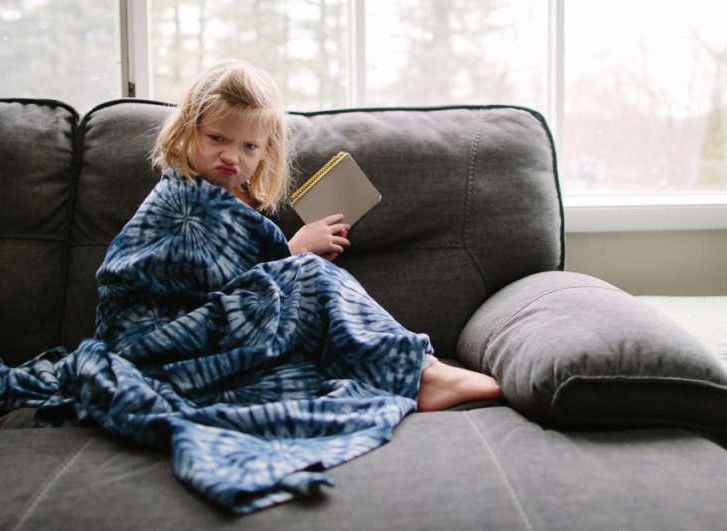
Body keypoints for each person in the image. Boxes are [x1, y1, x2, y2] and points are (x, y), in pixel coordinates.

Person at [151, 59, 502, 412]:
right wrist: (292, 253)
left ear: (265, 152)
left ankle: (421, 371)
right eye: (217, 138)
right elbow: (210, 286)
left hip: (235, 334)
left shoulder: (236, 198)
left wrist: (288, 259)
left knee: (312, 280)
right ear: (188, 130)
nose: (231, 156)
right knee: (312, 273)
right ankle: (425, 375)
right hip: (179, 339)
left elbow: (245, 283)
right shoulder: (181, 199)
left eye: (249, 147)